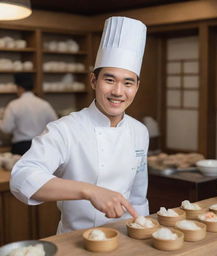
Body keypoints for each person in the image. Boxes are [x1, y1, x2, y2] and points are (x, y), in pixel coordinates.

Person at [10, 16, 149, 234]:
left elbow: (139, 198)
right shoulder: (65, 129)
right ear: (93, 81)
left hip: (126, 239)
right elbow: (21, 178)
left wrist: (143, 231)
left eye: (128, 82)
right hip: (77, 241)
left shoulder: (140, 131)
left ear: (137, 86)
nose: (118, 92)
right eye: (109, 80)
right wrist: (89, 191)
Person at [0, 73, 58, 155]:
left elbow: (7, 128)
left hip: (21, 147)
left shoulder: (13, 105)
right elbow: (55, 124)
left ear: (20, 88)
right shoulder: (44, 104)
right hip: (41, 146)